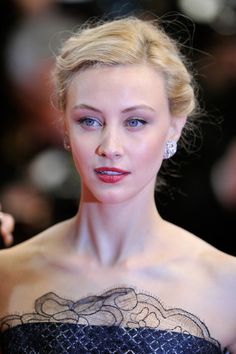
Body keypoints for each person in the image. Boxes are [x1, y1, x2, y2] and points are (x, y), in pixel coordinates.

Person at [0, 16, 235, 354]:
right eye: (89, 121)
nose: (110, 146)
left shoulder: (227, 285)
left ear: (174, 129)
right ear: (65, 128)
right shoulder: (8, 273)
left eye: (135, 121)